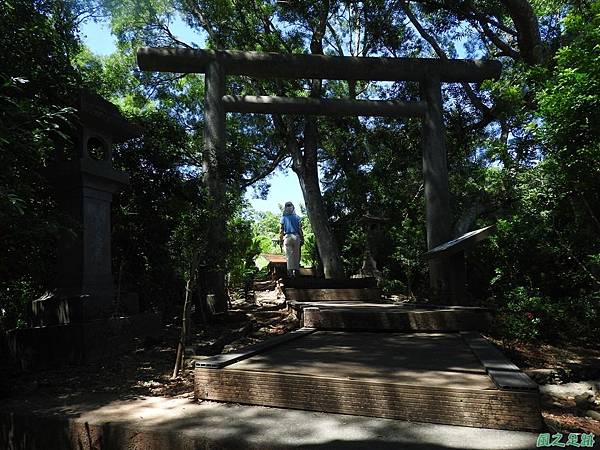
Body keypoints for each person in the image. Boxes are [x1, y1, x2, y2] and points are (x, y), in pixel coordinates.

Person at [279, 201, 303, 277]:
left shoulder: (283, 218)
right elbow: (300, 229)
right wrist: (302, 238)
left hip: (287, 237)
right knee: (297, 255)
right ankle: (296, 271)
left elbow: (281, 230)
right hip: (296, 237)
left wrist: (280, 239)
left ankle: (289, 272)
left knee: (289, 255)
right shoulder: (297, 217)